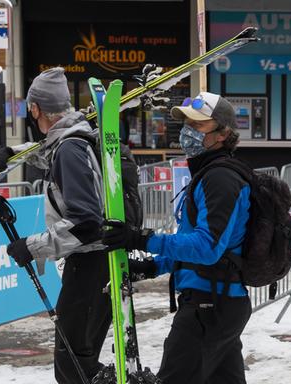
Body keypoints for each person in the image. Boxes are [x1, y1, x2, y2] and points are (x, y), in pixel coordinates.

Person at [102, 92, 252, 384]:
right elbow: (193, 243)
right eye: (186, 124)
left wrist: (143, 239)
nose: (187, 132)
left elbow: (206, 247)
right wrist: (153, 266)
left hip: (209, 306)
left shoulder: (220, 179)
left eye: (198, 126)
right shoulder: (208, 174)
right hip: (218, 302)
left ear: (223, 134)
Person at [0, 67, 111, 383]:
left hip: (89, 265)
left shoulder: (70, 149)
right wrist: (11, 155)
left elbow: (87, 224)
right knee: (78, 365)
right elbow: (47, 154)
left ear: (35, 109)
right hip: (95, 265)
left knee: (73, 368)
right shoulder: (74, 140)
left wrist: (31, 247)